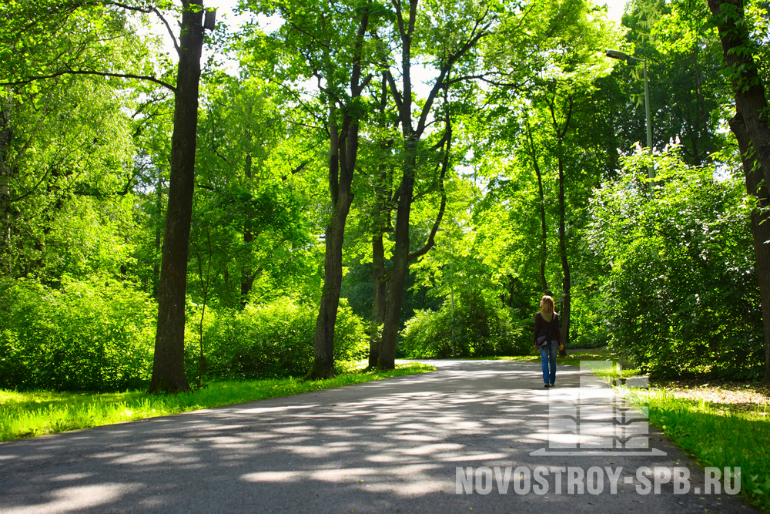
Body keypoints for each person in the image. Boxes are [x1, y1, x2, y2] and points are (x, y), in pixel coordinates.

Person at [533, 295, 564, 388]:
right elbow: (557, 330)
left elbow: (536, 330)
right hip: (554, 341)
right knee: (553, 361)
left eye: (541, 301)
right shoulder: (555, 316)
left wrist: (535, 342)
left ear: (545, 304)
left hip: (542, 341)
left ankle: (546, 381)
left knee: (544, 361)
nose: (540, 302)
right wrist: (560, 343)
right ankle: (552, 381)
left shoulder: (539, 315)